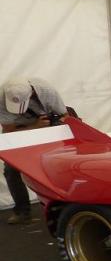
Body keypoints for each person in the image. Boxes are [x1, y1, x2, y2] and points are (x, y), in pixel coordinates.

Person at [0, 78, 68, 224]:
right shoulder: (1, 98)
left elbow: (65, 116)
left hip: (47, 130)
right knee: (11, 170)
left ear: (31, 93)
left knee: (57, 166)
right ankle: (22, 212)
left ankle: (64, 207)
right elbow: (8, 130)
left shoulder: (47, 91)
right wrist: (35, 126)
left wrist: (57, 124)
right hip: (18, 133)